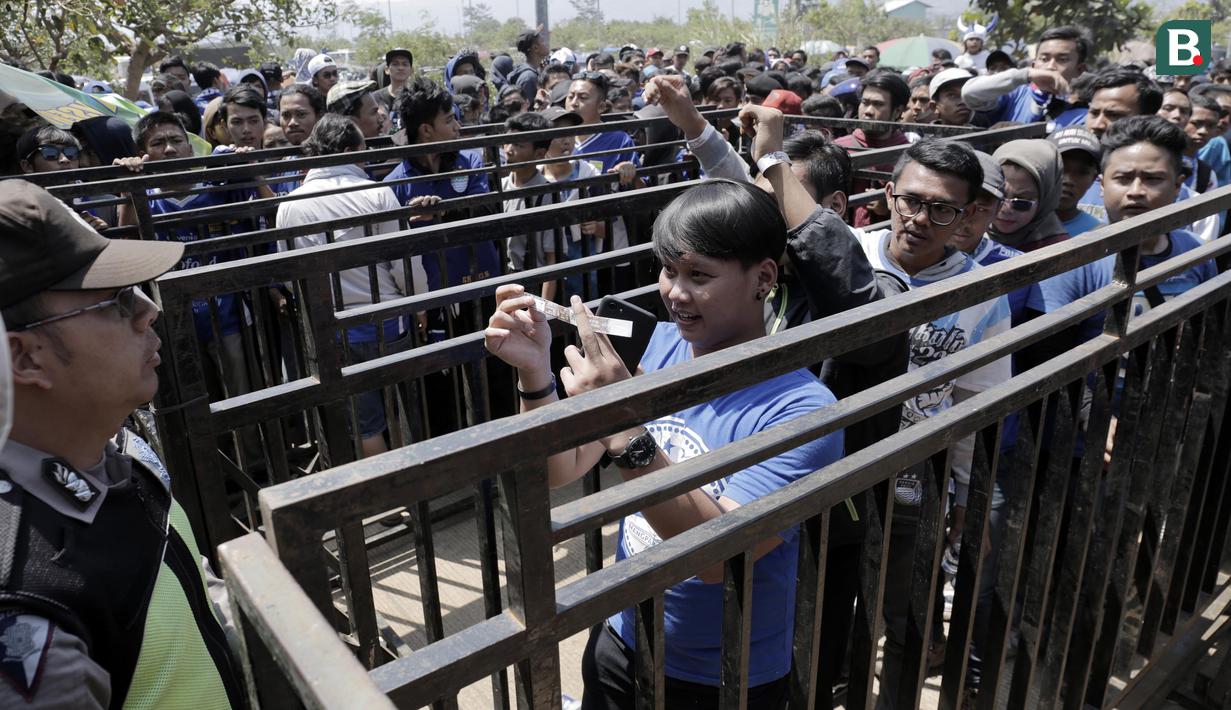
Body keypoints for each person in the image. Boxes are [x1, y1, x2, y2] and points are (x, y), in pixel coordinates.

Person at [484, 179, 843, 710]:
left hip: (721, 673)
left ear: (763, 278)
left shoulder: (801, 409)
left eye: (699, 275)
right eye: (669, 270)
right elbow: (559, 470)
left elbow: (718, 556)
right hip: (623, 634)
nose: (675, 292)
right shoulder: (667, 342)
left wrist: (624, 425)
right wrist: (536, 376)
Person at [0, 179, 246, 709]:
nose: (146, 309)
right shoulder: (24, 605)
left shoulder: (120, 447)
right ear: (25, 357)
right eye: (115, 300)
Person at [853, 140, 1011, 710]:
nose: (920, 219)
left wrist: (968, 499)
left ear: (969, 215)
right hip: (828, 475)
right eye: (911, 201)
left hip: (913, 486)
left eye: (941, 208)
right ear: (889, 195)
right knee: (820, 602)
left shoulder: (981, 296)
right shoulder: (847, 256)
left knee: (905, 615)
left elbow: (977, 406)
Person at [275, 114, 432, 458]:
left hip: (332, 327)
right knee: (399, 410)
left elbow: (289, 276)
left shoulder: (288, 205)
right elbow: (404, 263)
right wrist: (420, 304)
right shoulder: (376, 193)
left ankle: (393, 498)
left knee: (365, 422)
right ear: (351, 150)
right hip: (387, 319)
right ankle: (417, 489)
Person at [383, 77, 498, 294]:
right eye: (449, 120)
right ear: (426, 130)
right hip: (434, 292)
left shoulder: (470, 161)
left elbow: (486, 212)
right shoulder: (394, 184)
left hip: (483, 280)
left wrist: (442, 210)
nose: (458, 126)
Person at [961, 25, 1089, 127]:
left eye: (1062, 59)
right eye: (1044, 59)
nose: (1050, 66)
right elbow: (969, 93)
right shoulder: (1013, 94)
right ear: (1033, 65)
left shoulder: (1083, 115)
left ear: (1080, 69)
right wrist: (1023, 74)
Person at [835, 71, 913, 227]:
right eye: (865, 102)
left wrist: (890, 206)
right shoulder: (838, 147)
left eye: (878, 104)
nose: (868, 111)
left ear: (897, 111)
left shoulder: (910, 157)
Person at [500, 112, 561, 298]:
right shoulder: (500, 186)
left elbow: (553, 259)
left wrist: (544, 308)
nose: (509, 149)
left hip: (531, 284)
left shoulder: (546, 194)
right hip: (503, 280)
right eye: (508, 141)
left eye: (518, 145)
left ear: (539, 153)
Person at [988, 139, 1070, 251]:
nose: (1006, 209)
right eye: (999, 195)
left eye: (1021, 201)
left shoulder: (1057, 251)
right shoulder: (968, 231)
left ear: (1046, 200)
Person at [1048, 127, 1104, 236]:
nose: (1068, 180)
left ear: (1093, 179)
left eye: (1082, 172)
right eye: (1060, 168)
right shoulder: (1012, 222)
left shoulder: (1097, 234)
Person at [1182, 94, 1221, 194]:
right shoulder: (1157, 161)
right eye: (1196, 123)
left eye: (1211, 125)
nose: (1203, 131)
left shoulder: (1206, 175)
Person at [219, 85, 267, 149]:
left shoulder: (280, 156)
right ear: (225, 126)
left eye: (254, 121)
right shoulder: (218, 157)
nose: (246, 129)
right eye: (237, 122)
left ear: (264, 121)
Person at [373, 47, 413, 121]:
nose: (400, 68)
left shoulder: (417, 97)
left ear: (411, 70)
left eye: (405, 64)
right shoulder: (374, 98)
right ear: (387, 70)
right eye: (395, 64)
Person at [511, 27, 549, 103]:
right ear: (535, 48)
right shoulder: (528, 77)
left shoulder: (536, 70)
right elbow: (526, 111)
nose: (546, 43)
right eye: (543, 41)